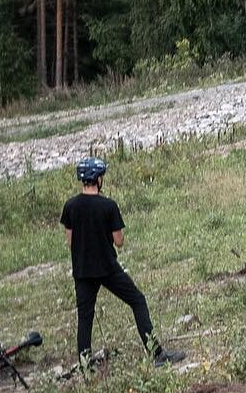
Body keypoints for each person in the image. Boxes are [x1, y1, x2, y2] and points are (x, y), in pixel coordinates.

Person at [60, 157, 185, 366]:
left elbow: (70, 241)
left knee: (85, 317)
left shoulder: (70, 206)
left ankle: (85, 365)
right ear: (98, 179)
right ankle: (156, 354)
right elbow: (119, 242)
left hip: (83, 270)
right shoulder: (108, 205)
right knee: (137, 300)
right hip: (107, 268)